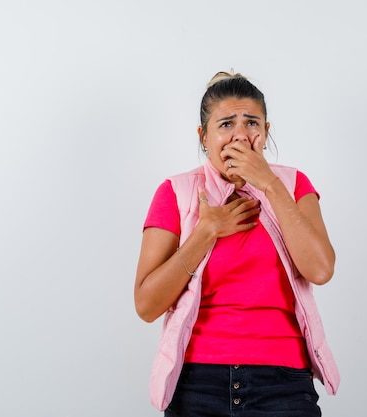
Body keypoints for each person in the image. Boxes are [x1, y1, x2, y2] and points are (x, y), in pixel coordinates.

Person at [134, 71, 339, 417]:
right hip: (197, 384)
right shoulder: (176, 192)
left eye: (251, 123)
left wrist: (268, 184)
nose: (240, 135)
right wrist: (205, 232)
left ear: (266, 132)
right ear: (204, 136)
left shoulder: (292, 184)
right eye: (226, 124)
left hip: (284, 385)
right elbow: (147, 305)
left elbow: (320, 269)